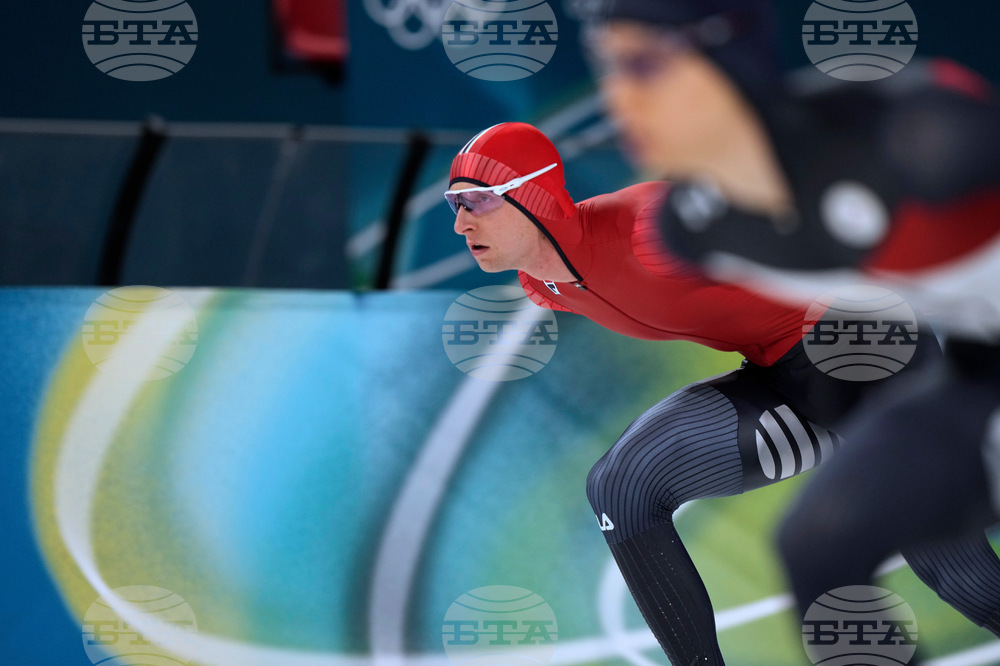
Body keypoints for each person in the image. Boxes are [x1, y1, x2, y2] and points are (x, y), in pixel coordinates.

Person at [444, 121, 974, 666]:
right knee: (621, 488)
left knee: (955, 569)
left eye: (477, 201)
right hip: (782, 375)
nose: (461, 223)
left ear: (533, 195)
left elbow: (796, 210)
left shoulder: (648, 228)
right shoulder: (545, 284)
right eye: (454, 204)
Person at [582, 0, 1000, 654]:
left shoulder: (917, 137)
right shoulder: (694, 229)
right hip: (973, 371)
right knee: (816, 545)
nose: (616, 97)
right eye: (604, 66)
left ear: (725, 54)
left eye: (641, 63)